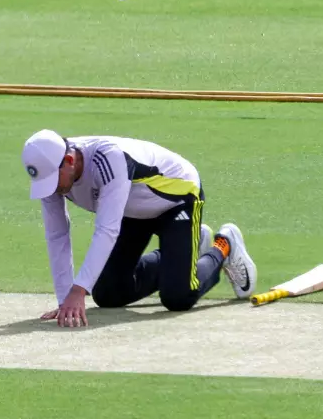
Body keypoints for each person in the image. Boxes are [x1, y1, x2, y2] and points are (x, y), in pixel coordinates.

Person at [20, 130, 257, 328]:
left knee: (178, 297)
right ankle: (186, 251)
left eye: (53, 181)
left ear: (70, 162)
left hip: (176, 199)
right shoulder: (52, 178)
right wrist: (65, 299)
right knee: (108, 294)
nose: (50, 189)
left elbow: (106, 230)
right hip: (131, 210)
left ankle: (223, 246)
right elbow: (57, 235)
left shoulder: (108, 158)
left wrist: (79, 290)